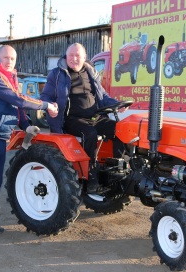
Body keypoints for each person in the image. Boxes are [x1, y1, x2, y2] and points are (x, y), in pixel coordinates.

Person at [0, 45, 58, 243]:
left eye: (13, 59)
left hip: (0, 136)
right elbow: (17, 99)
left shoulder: (9, 78)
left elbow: (16, 106)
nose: (9, 62)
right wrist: (45, 105)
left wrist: (26, 125)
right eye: (6, 58)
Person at [40, 43, 127, 193]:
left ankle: (116, 171)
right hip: (71, 119)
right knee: (90, 134)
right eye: (71, 56)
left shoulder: (90, 73)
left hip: (95, 117)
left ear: (84, 57)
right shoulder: (57, 74)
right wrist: (49, 106)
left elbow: (103, 97)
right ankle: (90, 178)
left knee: (121, 130)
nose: (74, 59)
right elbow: (45, 96)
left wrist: (117, 104)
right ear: (66, 57)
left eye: (77, 56)